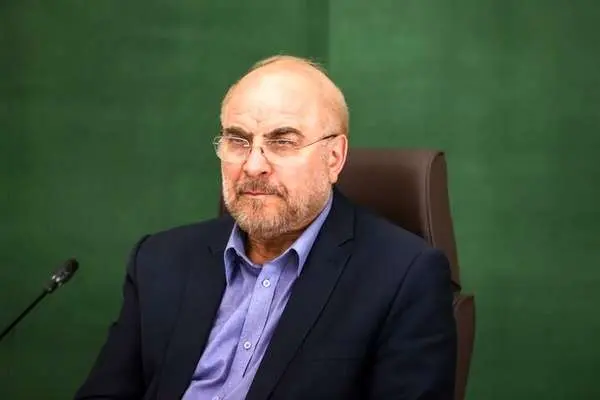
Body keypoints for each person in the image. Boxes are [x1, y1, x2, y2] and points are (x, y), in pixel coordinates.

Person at [75, 55, 457, 400]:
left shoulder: (404, 278)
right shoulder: (159, 260)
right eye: (238, 141)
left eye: (283, 142)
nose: (254, 165)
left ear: (334, 157)